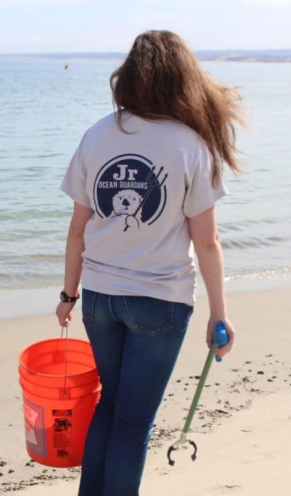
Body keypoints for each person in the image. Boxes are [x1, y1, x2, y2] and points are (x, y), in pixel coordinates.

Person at [55, 30, 244, 496]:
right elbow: (208, 241)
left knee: (110, 406)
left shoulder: (98, 134)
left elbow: (77, 228)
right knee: (133, 422)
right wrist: (219, 313)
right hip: (160, 301)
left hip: (100, 299)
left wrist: (68, 293)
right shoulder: (190, 144)